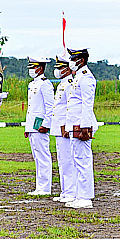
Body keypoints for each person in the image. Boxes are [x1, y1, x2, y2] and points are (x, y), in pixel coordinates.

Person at [64, 47, 98, 209]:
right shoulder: (78, 77)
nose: (70, 62)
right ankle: (79, 194)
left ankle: (85, 197)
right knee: (76, 160)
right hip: (74, 124)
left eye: (73, 58)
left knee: (83, 160)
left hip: (81, 125)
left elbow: (87, 103)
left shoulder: (86, 78)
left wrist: (85, 127)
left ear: (81, 60)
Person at [25, 57, 54, 195]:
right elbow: (31, 108)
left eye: (33, 67)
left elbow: (50, 106)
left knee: (43, 156)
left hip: (40, 126)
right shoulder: (32, 84)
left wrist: (46, 124)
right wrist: (28, 127)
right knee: (37, 156)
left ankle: (45, 187)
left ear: (40, 68)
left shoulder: (45, 84)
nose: (31, 70)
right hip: (33, 126)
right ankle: (39, 186)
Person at [50, 56, 75, 203]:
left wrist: (66, 125)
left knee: (67, 161)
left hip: (64, 127)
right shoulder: (62, 84)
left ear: (67, 69)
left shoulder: (69, 84)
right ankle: (65, 191)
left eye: (60, 68)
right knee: (62, 161)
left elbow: (69, 107)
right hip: (58, 127)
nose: (58, 71)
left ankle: (71, 192)